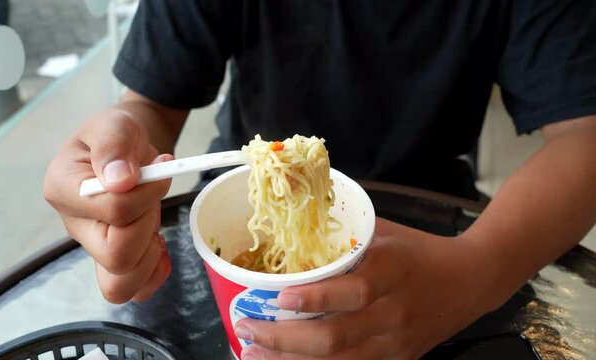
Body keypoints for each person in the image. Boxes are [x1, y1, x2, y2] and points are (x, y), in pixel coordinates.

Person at [44, 1, 596, 359]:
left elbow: (584, 133)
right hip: (235, 223)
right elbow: (151, 103)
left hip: (439, 248)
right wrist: (120, 153)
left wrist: (476, 272)